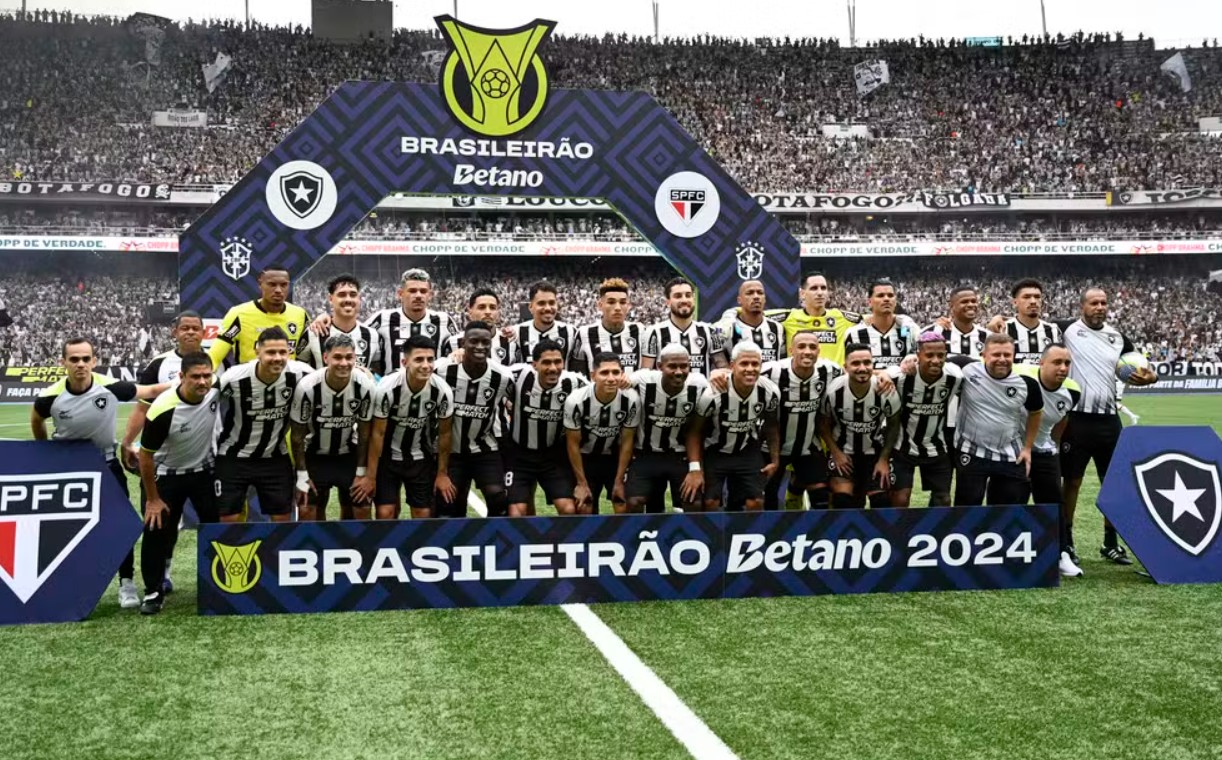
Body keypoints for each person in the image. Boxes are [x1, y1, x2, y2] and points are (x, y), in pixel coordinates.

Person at [31, 337, 168, 609]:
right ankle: (64, 584)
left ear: (94, 361)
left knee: (120, 525)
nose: (80, 364)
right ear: (64, 362)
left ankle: (126, 584)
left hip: (106, 465)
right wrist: (45, 452)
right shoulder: (50, 396)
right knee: (65, 530)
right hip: (68, 469)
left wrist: (186, 382)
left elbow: (150, 389)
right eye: (74, 359)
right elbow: (37, 420)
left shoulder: (111, 386)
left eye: (85, 359)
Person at [1057, 288, 1158, 564]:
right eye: (1094, 303)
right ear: (1082, 306)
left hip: (1108, 420)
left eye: (1103, 303)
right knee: (1072, 482)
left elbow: (1141, 367)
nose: (1100, 307)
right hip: (1076, 419)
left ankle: (1110, 543)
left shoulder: (1118, 338)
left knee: (1112, 484)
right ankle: (1067, 543)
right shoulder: (1065, 330)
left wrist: (1152, 377)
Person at [119, 309, 206, 594]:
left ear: (204, 333)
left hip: (204, 459)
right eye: (185, 328)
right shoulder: (159, 363)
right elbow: (143, 407)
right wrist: (127, 440)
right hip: (162, 462)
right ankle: (160, 579)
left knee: (216, 521)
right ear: (175, 332)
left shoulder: (216, 360)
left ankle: (217, 582)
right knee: (160, 523)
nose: (191, 332)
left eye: (196, 328)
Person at [136, 352, 220, 614]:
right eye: (195, 377)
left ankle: (218, 585)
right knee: (156, 531)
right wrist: (152, 499)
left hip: (203, 473)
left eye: (207, 375)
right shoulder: (163, 408)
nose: (202, 382)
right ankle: (153, 592)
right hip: (166, 476)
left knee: (214, 528)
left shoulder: (216, 388)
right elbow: (146, 456)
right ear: (182, 377)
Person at [214, 326, 314, 523]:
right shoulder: (234, 378)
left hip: (275, 457)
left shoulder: (301, 374)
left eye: (282, 352)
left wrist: (362, 372)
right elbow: (205, 403)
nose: (277, 357)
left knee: (282, 519)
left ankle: (275, 555)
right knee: (228, 518)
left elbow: (326, 381)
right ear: (256, 351)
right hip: (234, 456)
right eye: (270, 352)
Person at [289, 334, 377, 522]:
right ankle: (314, 548)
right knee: (307, 508)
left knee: (360, 507)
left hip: (347, 455)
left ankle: (355, 548)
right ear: (326, 357)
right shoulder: (307, 387)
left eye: (349, 357)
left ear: (355, 358)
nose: (344, 363)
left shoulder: (365, 386)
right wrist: (302, 475)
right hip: (315, 455)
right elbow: (297, 436)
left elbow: (364, 433)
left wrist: (362, 473)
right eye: (337, 357)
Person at [432, 321, 515, 518]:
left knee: (499, 498)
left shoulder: (502, 377)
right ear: (463, 342)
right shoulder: (442, 371)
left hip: (484, 449)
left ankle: (495, 544)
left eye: (485, 342)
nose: (480, 347)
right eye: (474, 341)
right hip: (450, 451)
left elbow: (516, 403)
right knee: (449, 504)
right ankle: (454, 546)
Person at [1015, 344, 1084, 577]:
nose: (1063, 368)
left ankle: (1061, 553)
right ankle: (1012, 551)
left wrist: (1052, 446)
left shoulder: (1073, 391)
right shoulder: (1021, 374)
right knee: (1013, 501)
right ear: (1041, 363)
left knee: (1053, 504)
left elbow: (1062, 420)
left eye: (1067, 363)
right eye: (1057, 362)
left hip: (1044, 451)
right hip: (1014, 451)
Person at [367, 335, 454, 520]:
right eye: (419, 359)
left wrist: (442, 474)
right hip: (388, 458)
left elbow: (445, 434)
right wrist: (370, 476)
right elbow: (378, 433)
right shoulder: (387, 388)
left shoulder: (442, 391)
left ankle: (420, 548)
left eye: (430, 359)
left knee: (422, 514)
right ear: (404, 362)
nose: (426, 365)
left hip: (420, 457)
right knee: (385, 513)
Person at [687, 341, 781, 512]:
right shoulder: (712, 394)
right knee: (710, 504)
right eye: (744, 363)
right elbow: (695, 432)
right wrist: (695, 468)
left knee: (755, 503)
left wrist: (775, 460)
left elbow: (771, 426)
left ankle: (749, 537)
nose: (750, 369)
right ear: (732, 366)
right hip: (715, 451)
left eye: (755, 364)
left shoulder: (770, 391)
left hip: (747, 448)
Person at [952, 333, 1043, 507]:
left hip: (1009, 453)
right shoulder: (966, 370)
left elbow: (1036, 412)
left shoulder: (1026, 383)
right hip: (971, 450)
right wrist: (909, 359)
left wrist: (1028, 448)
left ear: (1013, 356)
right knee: (967, 509)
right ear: (983, 355)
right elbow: (937, 359)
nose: (1002, 359)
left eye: (1007, 355)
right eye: (996, 355)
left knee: (1005, 511)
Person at [503, 339, 589, 516]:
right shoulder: (517, 375)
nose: (553, 368)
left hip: (553, 456)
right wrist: (456, 356)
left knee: (569, 509)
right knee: (516, 512)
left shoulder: (575, 383)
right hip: (519, 455)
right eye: (546, 362)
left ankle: (564, 543)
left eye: (558, 362)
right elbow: (489, 373)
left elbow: (599, 391)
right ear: (534, 364)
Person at [759, 330, 842, 510]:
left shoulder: (830, 370)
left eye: (812, 347)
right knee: (768, 497)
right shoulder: (770, 371)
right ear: (791, 350)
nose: (807, 351)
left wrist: (882, 375)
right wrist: (720, 373)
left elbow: (855, 376)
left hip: (808, 445)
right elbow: (740, 375)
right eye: (801, 346)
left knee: (821, 496)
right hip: (772, 447)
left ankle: (816, 536)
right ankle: (772, 536)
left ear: (819, 351)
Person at [625, 343, 708, 513]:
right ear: (659, 366)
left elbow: (697, 430)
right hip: (645, 454)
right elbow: (620, 383)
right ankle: (639, 537)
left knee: (694, 503)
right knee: (634, 501)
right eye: (672, 366)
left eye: (683, 366)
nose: (678, 371)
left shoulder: (699, 385)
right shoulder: (642, 380)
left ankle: (693, 537)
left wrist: (695, 469)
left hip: (679, 455)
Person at [820, 343, 901, 509]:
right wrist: (835, 452)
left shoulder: (886, 390)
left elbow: (894, 425)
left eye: (867, 363)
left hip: (874, 454)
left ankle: (878, 535)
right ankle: (844, 535)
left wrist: (884, 459)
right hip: (844, 452)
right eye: (856, 364)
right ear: (846, 367)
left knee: (882, 502)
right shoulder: (833, 391)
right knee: (843, 501)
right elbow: (823, 424)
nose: (862, 368)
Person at [888, 332, 964, 508]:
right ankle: (899, 534)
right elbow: (879, 375)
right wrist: (884, 374)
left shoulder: (955, 377)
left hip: (936, 447)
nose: (936, 360)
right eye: (929, 355)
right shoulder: (900, 376)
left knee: (943, 499)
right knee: (900, 499)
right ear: (918, 356)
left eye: (941, 355)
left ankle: (934, 533)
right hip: (902, 448)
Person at [564, 352, 641, 514]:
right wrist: (581, 483)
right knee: (584, 506)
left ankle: (625, 539)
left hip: (614, 459)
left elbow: (627, 441)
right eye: (604, 373)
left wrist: (619, 481)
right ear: (593, 376)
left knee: (623, 503)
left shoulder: (631, 399)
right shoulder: (576, 400)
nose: (611, 378)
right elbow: (572, 444)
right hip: (585, 459)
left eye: (616, 372)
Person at [208, 267, 309, 368]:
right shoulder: (239, 314)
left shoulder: (300, 314)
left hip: (287, 381)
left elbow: (309, 352)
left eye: (284, 285)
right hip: (247, 380)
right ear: (260, 284)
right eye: (272, 284)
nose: (278, 290)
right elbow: (214, 357)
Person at [363, 268, 459, 375]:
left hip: (431, 388)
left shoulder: (444, 320)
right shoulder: (382, 318)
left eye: (423, 291)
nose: (418, 295)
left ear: (430, 295)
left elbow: (459, 351)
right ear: (400, 294)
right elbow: (358, 341)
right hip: (392, 389)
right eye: (412, 291)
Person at [767, 271, 862, 366]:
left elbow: (869, 319)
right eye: (814, 288)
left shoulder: (842, 317)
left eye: (823, 288)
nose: (820, 293)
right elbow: (758, 315)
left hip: (834, 378)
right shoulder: (789, 317)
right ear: (802, 294)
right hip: (800, 377)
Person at [641, 277, 727, 376]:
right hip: (665, 391)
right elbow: (645, 374)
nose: (684, 300)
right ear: (667, 302)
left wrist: (718, 373)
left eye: (688, 295)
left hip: (702, 391)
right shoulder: (653, 333)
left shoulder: (710, 331)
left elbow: (723, 368)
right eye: (678, 296)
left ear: (693, 299)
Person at [297, 274, 383, 371]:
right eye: (342, 295)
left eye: (353, 295)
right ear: (330, 299)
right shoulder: (314, 332)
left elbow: (377, 370)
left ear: (359, 298)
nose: (348, 299)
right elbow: (299, 368)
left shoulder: (372, 335)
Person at [570, 278, 646, 374]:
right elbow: (577, 372)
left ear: (628, 306)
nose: (618, 308)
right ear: (600, 305)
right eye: (611, 302)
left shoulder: (640, 330)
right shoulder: (584, 333)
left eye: (622, 302)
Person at [846, 279, 920, 369]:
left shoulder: (907, 328)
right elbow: (848, 370)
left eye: (890, 295)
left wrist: (914, 358)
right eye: (880, 296)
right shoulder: (854, 334)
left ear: (895, 301)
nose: (886, 299)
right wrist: (886, 375)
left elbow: (922, 357)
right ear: (869, 302)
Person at [715, 280, 786, 363]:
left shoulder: (777, 327)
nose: (756, 296)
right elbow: (714, 334)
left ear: (765, 299)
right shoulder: (728, 326)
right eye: (750, 293)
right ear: (739, 300)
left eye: (760, 293)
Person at [510, 281, 576, 365]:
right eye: (541, 303)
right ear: (530, 307)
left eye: (552, 303)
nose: (548, 308)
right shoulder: (516, 333)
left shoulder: (571, 332)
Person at [444, 288, 515, 364]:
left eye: (492, 307)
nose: (488, 312)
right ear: (469, 311)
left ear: (498, 312)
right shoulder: (453, 342)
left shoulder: (510, 343)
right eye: (482, 307)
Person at [1001, 279, 1063, 365]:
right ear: (1015, 302)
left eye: (1037, 297)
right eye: (1026, 297)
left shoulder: (1053, 330)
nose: (1033, 301)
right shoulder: (1004, 329)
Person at [922, 286, 991, 359]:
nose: (971, 305)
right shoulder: (934, 332)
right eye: (964, 302)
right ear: (951, 306)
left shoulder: (988, 337)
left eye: (974, 301)